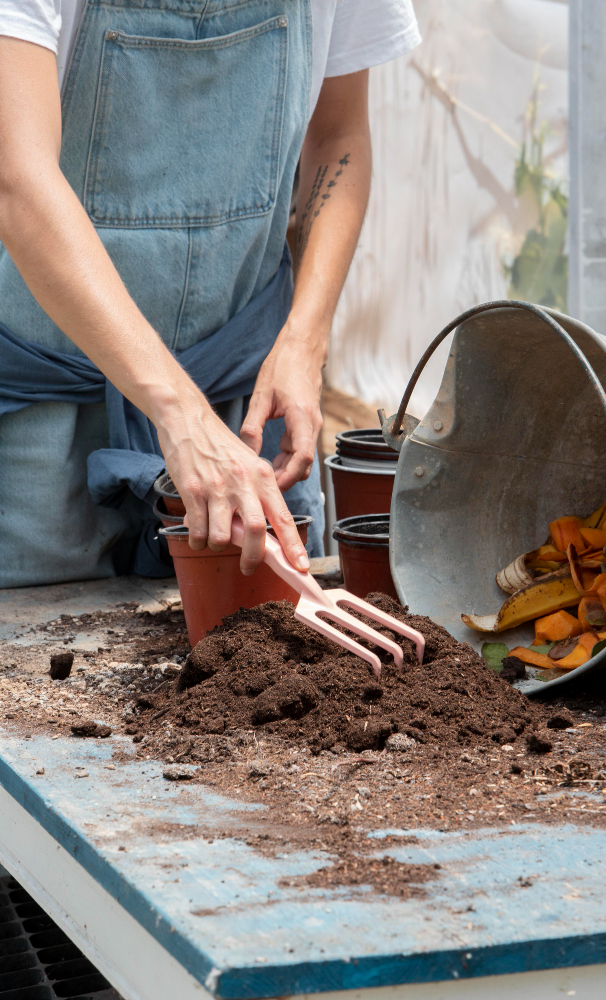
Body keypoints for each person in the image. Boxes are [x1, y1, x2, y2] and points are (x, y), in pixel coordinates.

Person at [0, 0, 420, 587]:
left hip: (240, 410)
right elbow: (18, 181)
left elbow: (339, 136)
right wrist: (179, 414)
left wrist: (304, 340)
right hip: (36, 426)